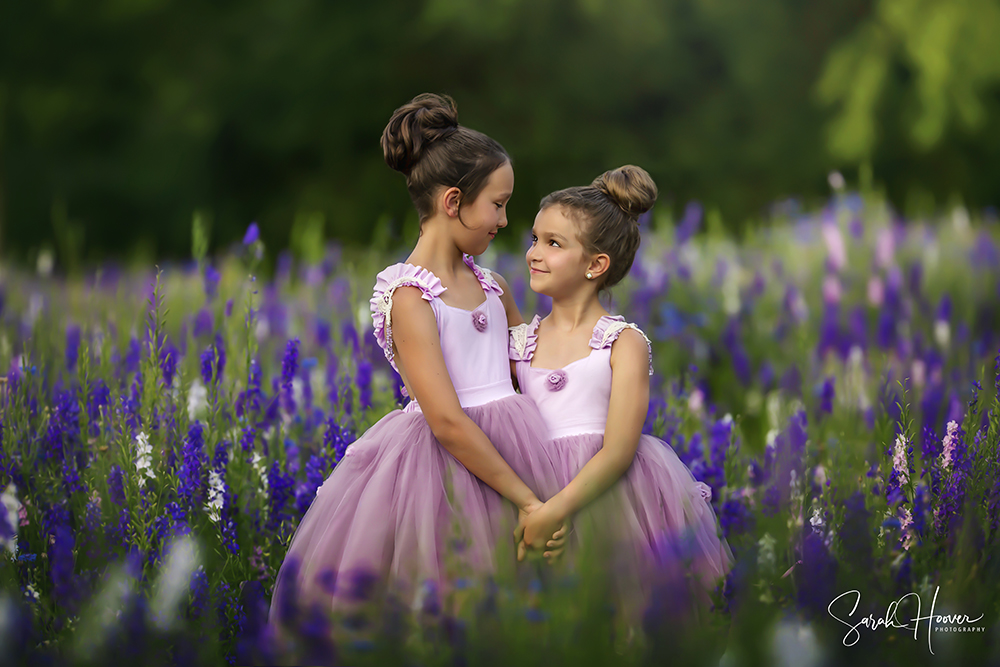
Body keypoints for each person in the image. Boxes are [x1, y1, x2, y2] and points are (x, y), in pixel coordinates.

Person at [269, 94, 562, 627]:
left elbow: (535, 371)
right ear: (454, 202)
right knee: (452, 605)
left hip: (522, 448)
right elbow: (447, 420)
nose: (504, 219)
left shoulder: (492, 286)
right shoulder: (409, 296)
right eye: (497, 204)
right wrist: (529, 500)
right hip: (446, 470)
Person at [510, 165, 733, 622]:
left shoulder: (623, 342)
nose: (534, 252)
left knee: (612, 618)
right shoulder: (517, 341)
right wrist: (535, 510)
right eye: (535, 239)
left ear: (596, 265)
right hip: (527, 495)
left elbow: (618, 450)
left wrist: (557, 511)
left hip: (604, 500)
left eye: (554, 243)